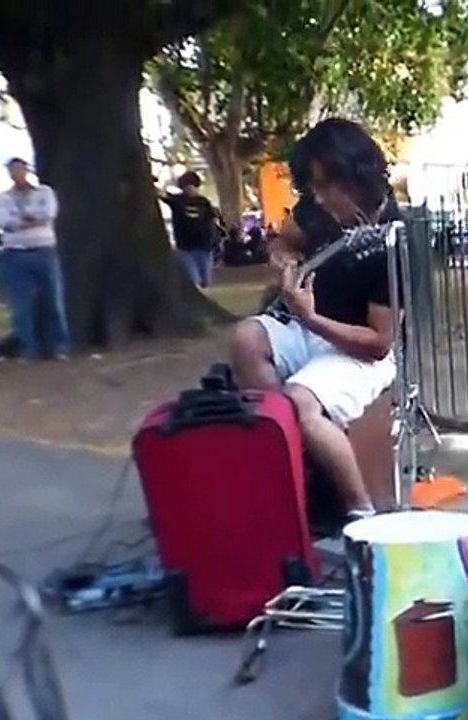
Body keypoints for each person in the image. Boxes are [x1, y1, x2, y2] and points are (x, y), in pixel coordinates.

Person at [228, 117, 400, 523]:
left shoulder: (392, 235)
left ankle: (362, 514)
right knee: (245, 338)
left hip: (356, 351)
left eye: (325, 186)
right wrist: (283, 258)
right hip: (306, 327)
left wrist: (311, 318)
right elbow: (282, 239)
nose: (318, 199)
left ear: (355, 178)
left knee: (300, 402)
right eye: (313, 188)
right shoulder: (315, 209)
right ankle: (286, 459)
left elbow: (379, 344)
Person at [0, 157, 70, 362]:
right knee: (20, 303)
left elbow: (48, 214)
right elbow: (3, 222)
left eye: (20, 169)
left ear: (27, 170)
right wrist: (31, 220)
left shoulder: (44, 192)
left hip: (44, 249)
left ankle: (57, 345)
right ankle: (28, 347)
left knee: (52, 298)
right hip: (16, 252)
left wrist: (24, 220)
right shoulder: (4, 198)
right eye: (12, 170)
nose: (17, 173)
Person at [160, 171, 219, 287]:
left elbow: (212, 219)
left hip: (203, 246)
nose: (189, 190)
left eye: (191, 187)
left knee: (205, 280)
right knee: (193, 279)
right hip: (185, 247)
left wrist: (213, 235)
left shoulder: (204, 202)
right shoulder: (178, 201)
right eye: (186, 187)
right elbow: (163, 195)